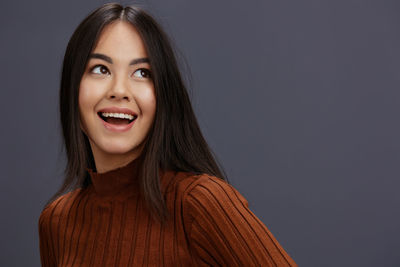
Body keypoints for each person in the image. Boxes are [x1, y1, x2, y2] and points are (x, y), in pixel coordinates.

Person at [38, 3, 297, 266]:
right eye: (100, 69)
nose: (119, 90)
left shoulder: (199, 204)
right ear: (72, 91)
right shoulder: (56, 222)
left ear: (163, 99)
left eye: (142, 73)